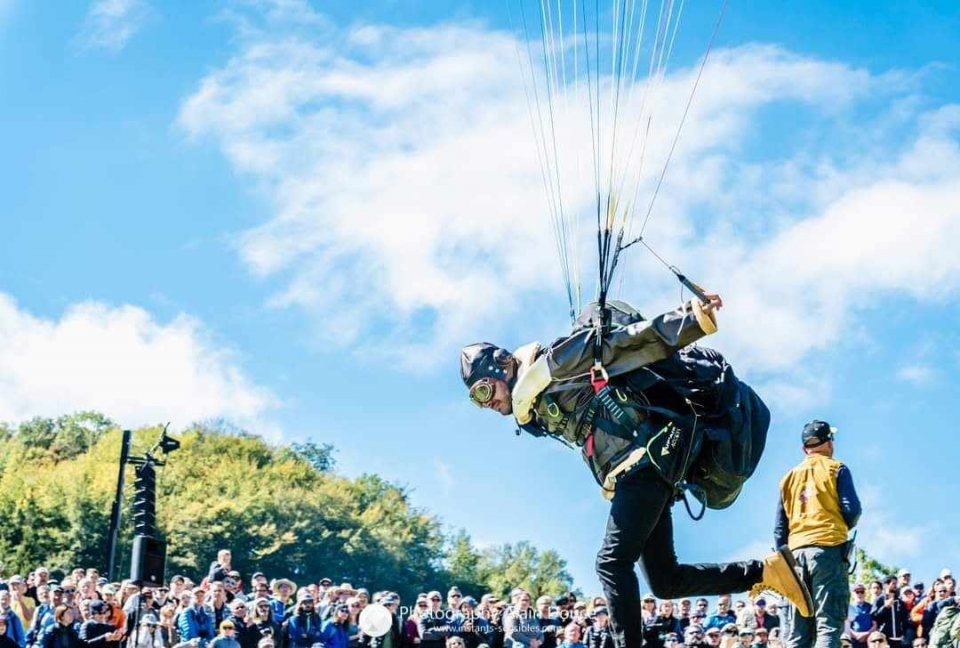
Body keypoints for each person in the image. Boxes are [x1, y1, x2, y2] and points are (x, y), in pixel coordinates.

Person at [461, 295, 813, 648]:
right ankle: (768, 571)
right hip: (644, 468)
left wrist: (691, 319)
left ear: (502, 366)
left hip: (647, 460)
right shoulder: (535, 399)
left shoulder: (556, 363)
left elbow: (630, 342)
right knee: (665, 580)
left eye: (484, 390)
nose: (486, 403)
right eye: (477, 400)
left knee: (611, 563)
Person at [776, 420, 861, 648]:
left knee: (797, 633)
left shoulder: (788, 478)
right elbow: (852, 510)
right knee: (828, 626)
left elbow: (779, 530)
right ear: (830, 443)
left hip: (794, 556)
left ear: (804, 448)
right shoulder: (837, 468)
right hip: (827, 551)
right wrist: (835, 527)